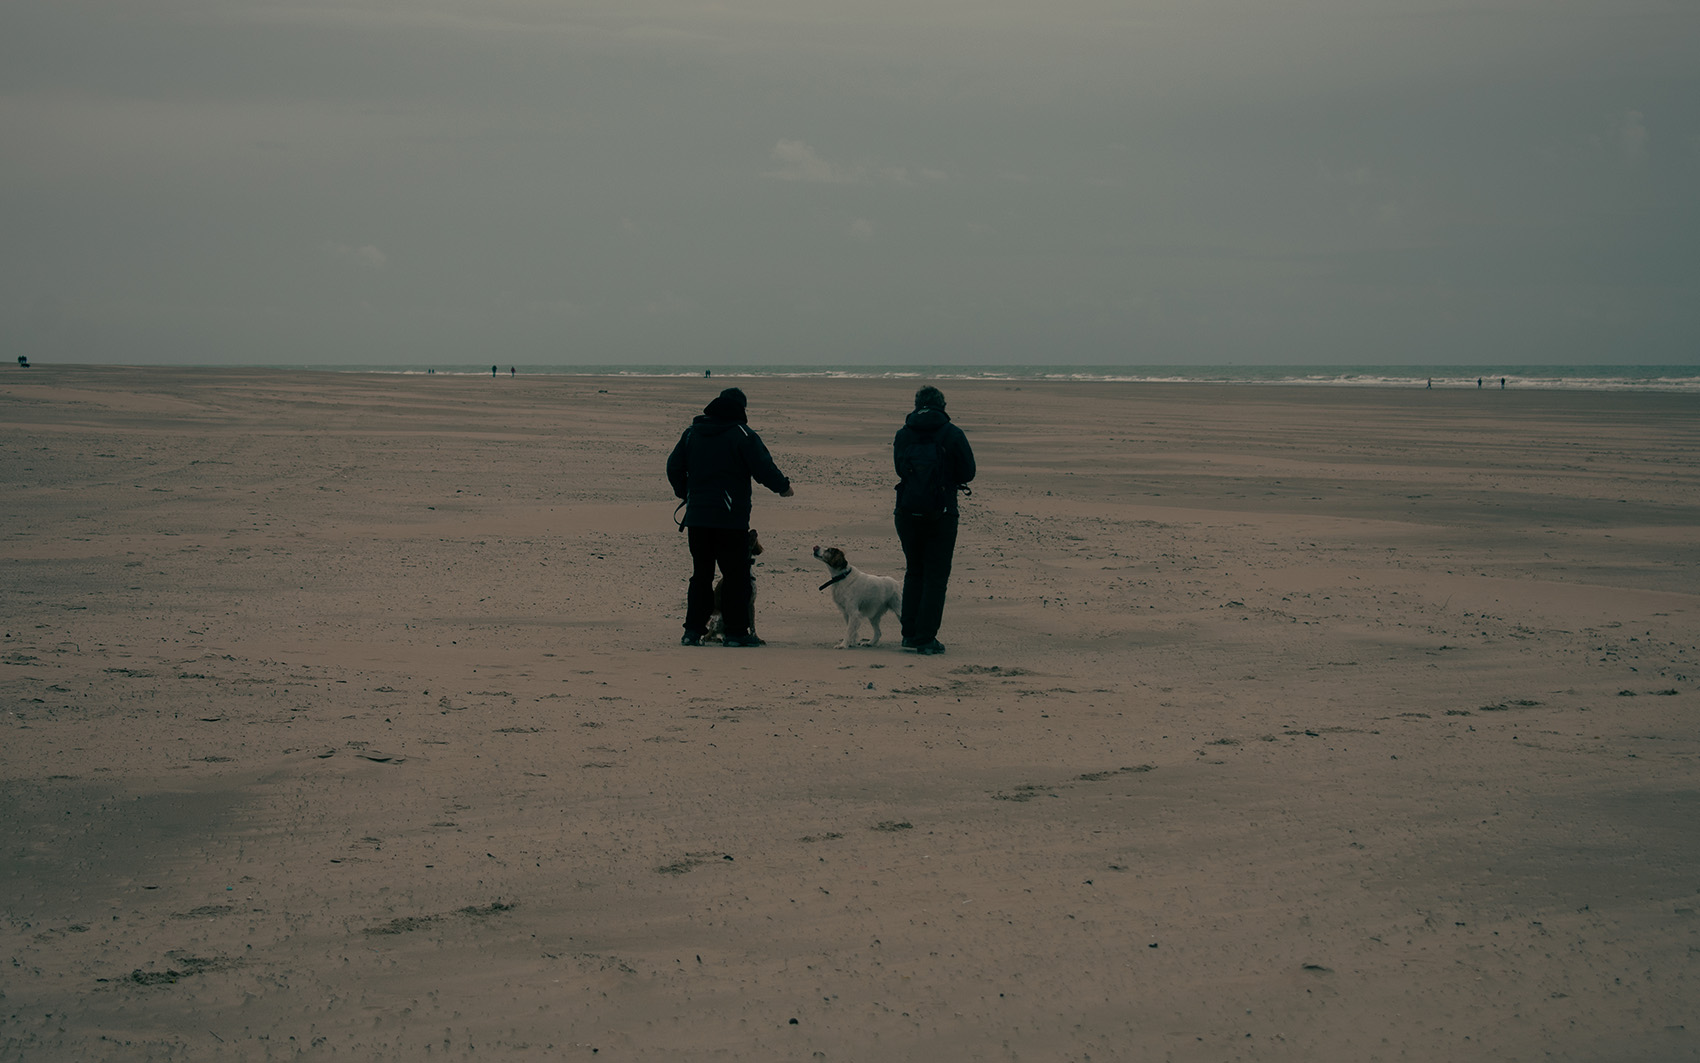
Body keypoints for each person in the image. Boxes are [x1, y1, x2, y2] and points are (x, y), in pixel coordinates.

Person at [667, 387, 793, 647]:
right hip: (730, 519)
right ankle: (736, 633)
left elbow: (673, 467)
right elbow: (763, 467)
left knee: (701, 574)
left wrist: (686, 493)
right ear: (742, 409)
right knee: (736, 575)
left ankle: (692, 631)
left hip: (698, 519)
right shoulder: (742, 434)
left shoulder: (692, 433)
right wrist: (783, 487)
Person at [892, 385, 976, 655]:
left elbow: (898, 468)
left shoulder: (904, 434)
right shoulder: (952, 433)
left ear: (917, 405)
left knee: (914, 571)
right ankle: (925, 638)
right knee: (936, 576)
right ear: (943, 405)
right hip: (942, 512)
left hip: (906, 511)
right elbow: (969, 472)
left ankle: (909, 634)